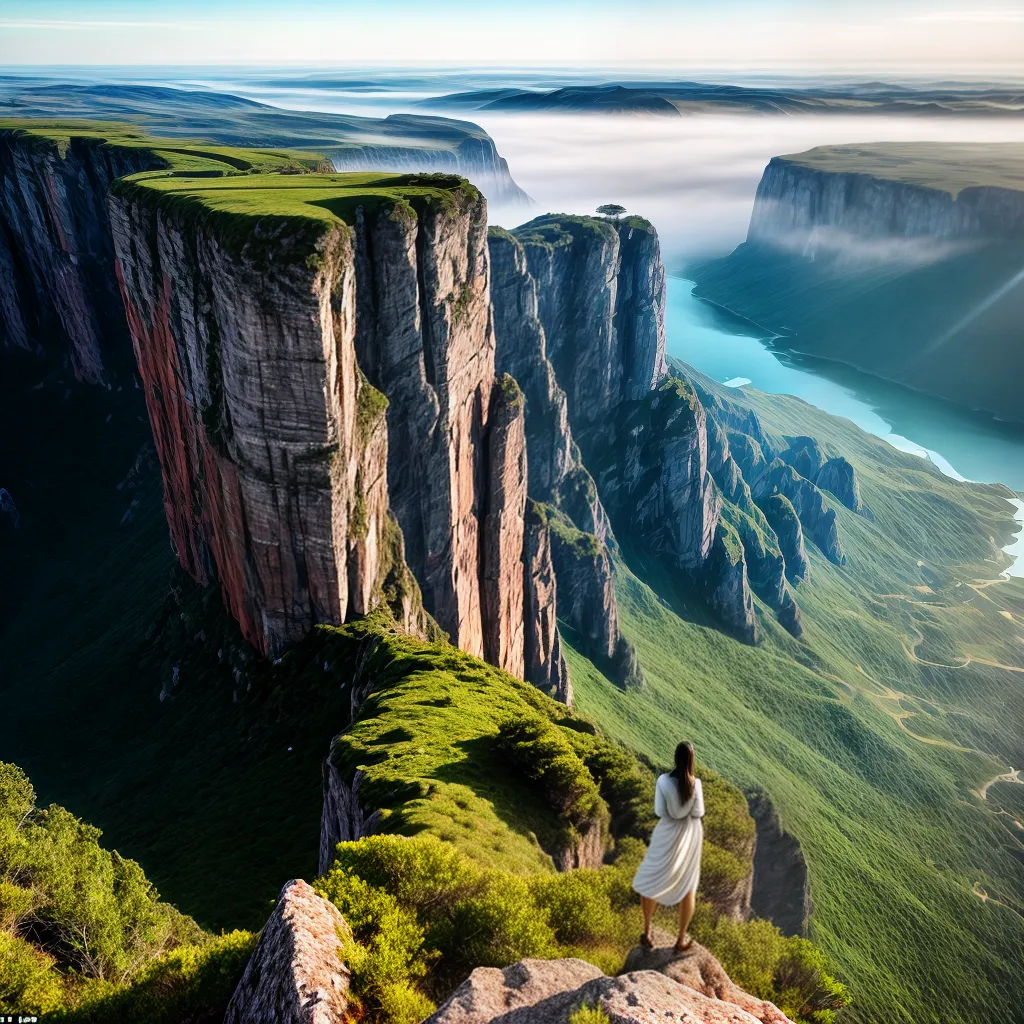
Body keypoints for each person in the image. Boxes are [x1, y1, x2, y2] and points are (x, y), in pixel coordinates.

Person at [632, 740, 705, 952]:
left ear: (675, 758)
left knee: (651, 879)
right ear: (691, 760)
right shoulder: (696, 784)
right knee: (688, 888)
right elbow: (698, 812)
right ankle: (680, 940)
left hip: (667, 832)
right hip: (690, 835)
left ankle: (647, 931)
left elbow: (659, 810)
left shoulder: (663, 781)